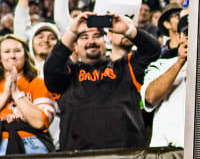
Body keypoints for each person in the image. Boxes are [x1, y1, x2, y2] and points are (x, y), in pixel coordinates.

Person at [44, 10, 161, 151]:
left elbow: (152, 50)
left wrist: (128, 30)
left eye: (97, 36)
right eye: (84, 37)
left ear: (105, 42)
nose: (91, 41)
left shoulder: (126, 67)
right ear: (75, 46)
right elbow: (51, 68)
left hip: (127, 157)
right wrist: (72, 32)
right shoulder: (68, 74)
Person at [0, 34, 56, 154]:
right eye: (6, 51)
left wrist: (16, 93)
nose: (12, 56)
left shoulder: (39, 83)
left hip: (32, 142)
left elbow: (40, 122)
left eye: (17, 51)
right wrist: (5, 95)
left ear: (25, 55)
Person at [141, 14, 189, 147]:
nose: (192, 37)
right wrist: (180, 62)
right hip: (166, 150)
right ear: (179, 38)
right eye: (187, 33)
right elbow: (150, 98)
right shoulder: (161, 64)